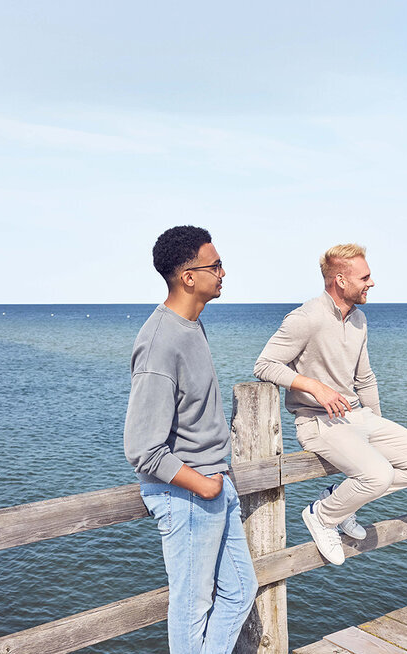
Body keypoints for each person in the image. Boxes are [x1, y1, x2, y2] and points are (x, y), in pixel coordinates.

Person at [253, 244, 407, 565]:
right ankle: (323, 515)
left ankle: (341, 503)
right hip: (318, 421)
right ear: (340, 280)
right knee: (378, 475)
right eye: (365, 277)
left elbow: (365, 378)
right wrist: (315, 387)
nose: (371, 283)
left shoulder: (360, 319)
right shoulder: (306, 318)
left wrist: (376, 424)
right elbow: (265, 364)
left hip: (360, 417)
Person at [124, 225, 256, 653]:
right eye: (214, 265)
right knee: (191, 607)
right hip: (188, 495)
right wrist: (203, 483)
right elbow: (142, 448)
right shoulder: (161, 342)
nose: (223, 272)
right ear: (188, 277)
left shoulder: (191, 326)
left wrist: (217, 480)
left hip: (214, 485)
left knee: (240, 591)